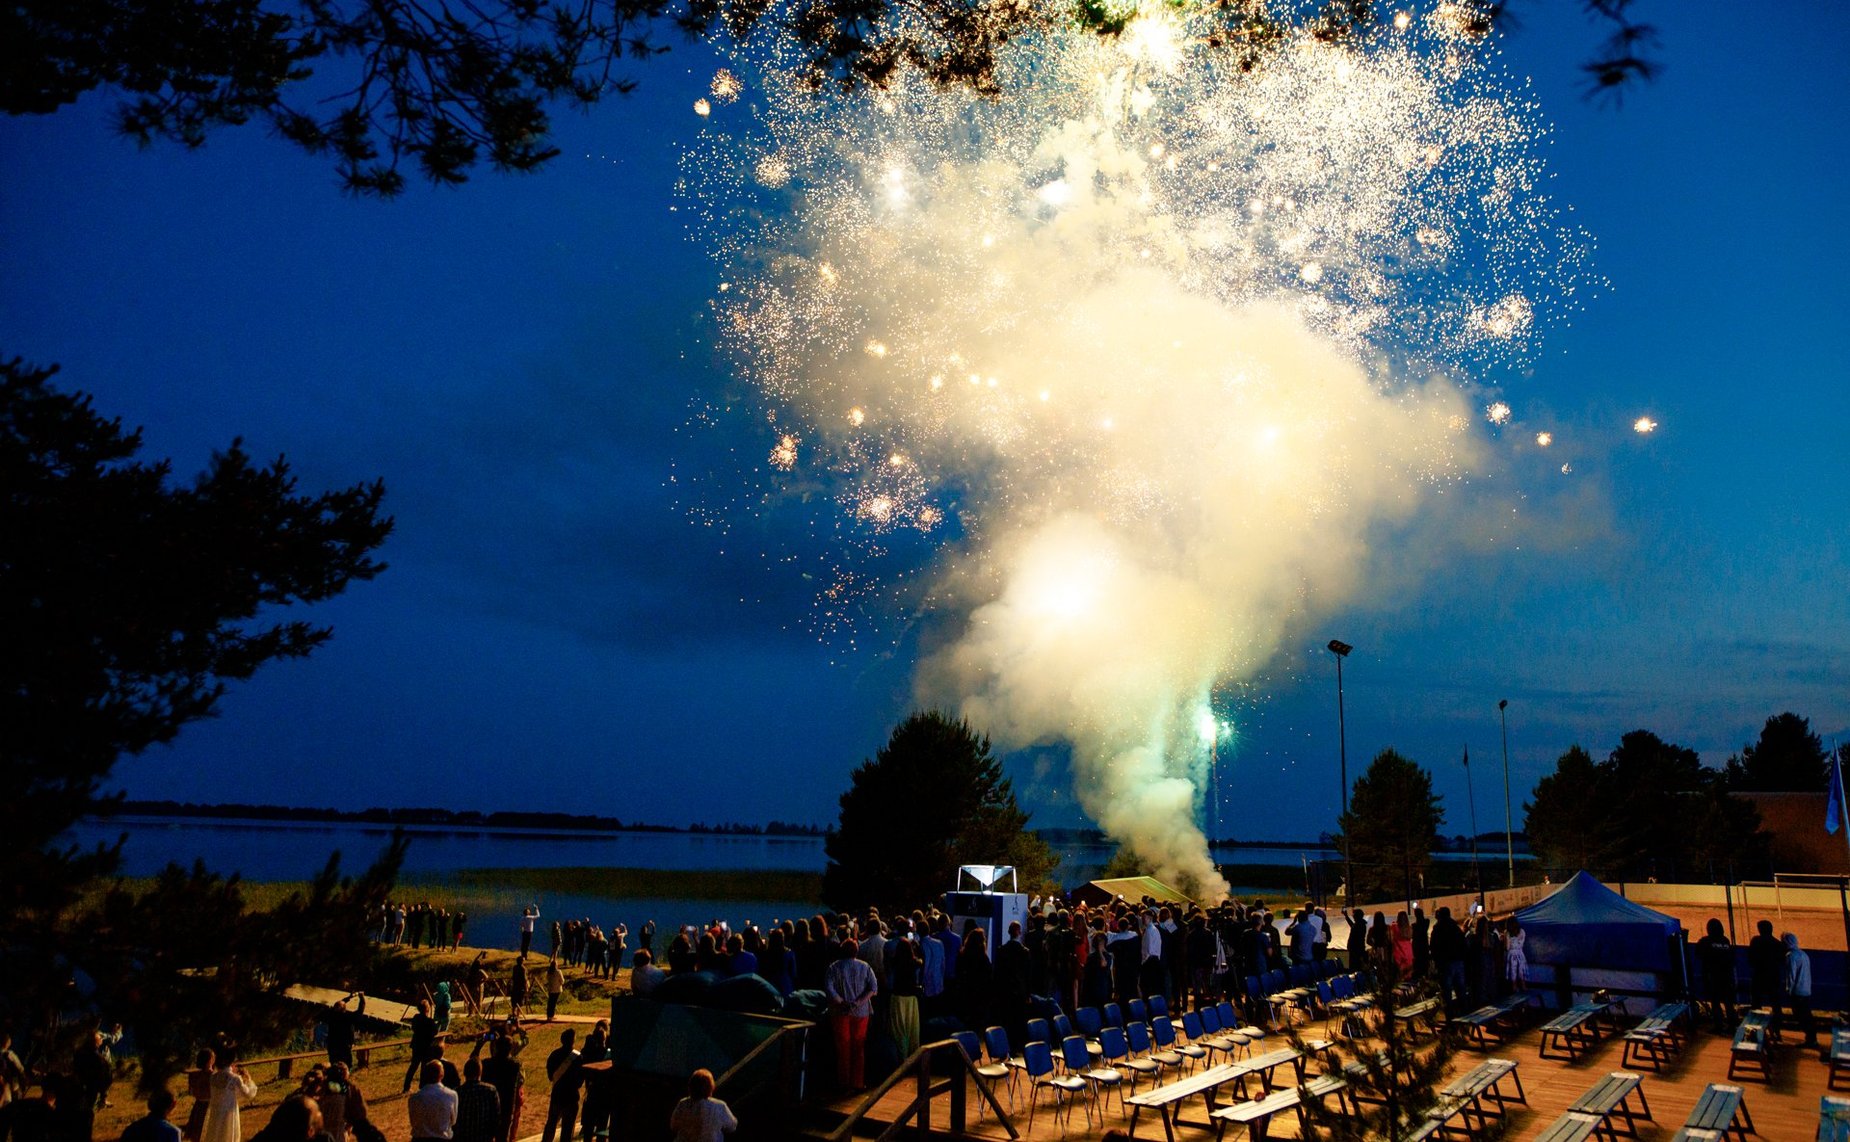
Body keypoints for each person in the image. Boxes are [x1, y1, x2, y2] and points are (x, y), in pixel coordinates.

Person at [824, 939, 878, 1091]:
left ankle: (844, 1081)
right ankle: (857, 1082)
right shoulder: (865, 967)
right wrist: (859, 1002)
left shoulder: (834, 967)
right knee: (858, 1048)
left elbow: (829, 987)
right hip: (861, 1013)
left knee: (843, 1048)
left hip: (840, 1012)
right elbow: (873, 987)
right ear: (856, 951)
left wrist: (841, 1001)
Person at [202, 1053, 258, 1142]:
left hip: (216, 1112)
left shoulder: (213, 1077)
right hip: (229, 1112)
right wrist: (249, 1080)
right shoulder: (234, 1078)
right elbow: (248, 1094)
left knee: (215, 1134)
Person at [667, 1069, 735, 1142]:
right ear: (710, 1087)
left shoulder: (683, 1104)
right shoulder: (720, 1106)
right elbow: (732, 1126)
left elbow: (673, 1126)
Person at [540, 1030, 581, 1142]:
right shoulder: (578, 1057)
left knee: (551, 1125)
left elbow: (550, 1077)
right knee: (567, 1131)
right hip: (571, 1097)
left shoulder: (554, 1055)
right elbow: (579, 1082)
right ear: (573, 1040)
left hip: (557, 1095)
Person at [1695, 918, 1736, 1029]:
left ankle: (1718, 1025)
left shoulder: (1706, 941)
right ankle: (1732, 1024)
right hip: (1726, 976)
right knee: (1728, 1001)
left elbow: (1697, 953)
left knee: (1715, 1001)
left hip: (1713, 976)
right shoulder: (1725, 941)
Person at [1746, 920, 1785, 1026]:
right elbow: (1782, 960)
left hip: (1759, 977)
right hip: (1773, 977)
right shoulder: (1778, 944)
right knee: (1776, 1003)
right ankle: (1777, 1025)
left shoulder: (1756, 941)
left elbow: (1750, 958)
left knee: (1756, 1002)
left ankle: (1756, 1024)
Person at [406, 1062, 457, 1142]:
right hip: (442, 1138)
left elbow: (413, 1122)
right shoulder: (451, 1095)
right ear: (442, 1075)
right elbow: (453, 1121)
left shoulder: (414, 1098)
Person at [454, 1060, 500, 1142]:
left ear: (464, 1073)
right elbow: (496, 1117)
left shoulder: (457, 1093)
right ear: (480, 1073)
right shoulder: (491, 1090)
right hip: (484, 1137)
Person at [1784, 932, 1815, 1047]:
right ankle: (1811, 1038)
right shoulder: (1803, 954)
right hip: (1806, 989)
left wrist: (1789, 990)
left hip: (1797, 991)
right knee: (1806, 1015)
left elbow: (1791, 976)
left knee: (1801, 1016)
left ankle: (1810, 1039)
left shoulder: (1791, 956)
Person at [404, 999, 441, 1092]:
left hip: (416, 1045)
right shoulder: (430, 1022)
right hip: (426, 1047)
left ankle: (406, 1086)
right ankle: (422, 1085)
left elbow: (413, 1028)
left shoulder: (416, 1018)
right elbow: (435, 1032)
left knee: (413, 1066)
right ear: (427, 1009)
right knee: (424, 1067)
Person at [182, 1051, 215, 1142]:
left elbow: (191, 1092)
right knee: (203, 1132)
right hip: (207, 1106)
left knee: (197, 1133)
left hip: (199, 1104)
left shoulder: (194, 1074)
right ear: (210, 1060)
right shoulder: (212, 1076)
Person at [326, 995, 362, 1068]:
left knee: (334, 1064)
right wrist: (362, 998)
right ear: (344, 1008)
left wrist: (349, 997)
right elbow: (360, 1011)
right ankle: (344, 1077)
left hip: (333, 1045)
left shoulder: (331, 1015)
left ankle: (334, 1077)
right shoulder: (347, 1017)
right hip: (344, 1046)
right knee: (346, 1065)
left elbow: (338, 1005)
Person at [1503, 918, 1527, 992]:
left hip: (1512, 954)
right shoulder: (1522, 931)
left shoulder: (1507, 933)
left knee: (1513, 971)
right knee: (1521, 971)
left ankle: (1514, 988)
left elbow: (1507, 947)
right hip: (1520, 953)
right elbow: (1522, 943)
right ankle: (1524, 987)